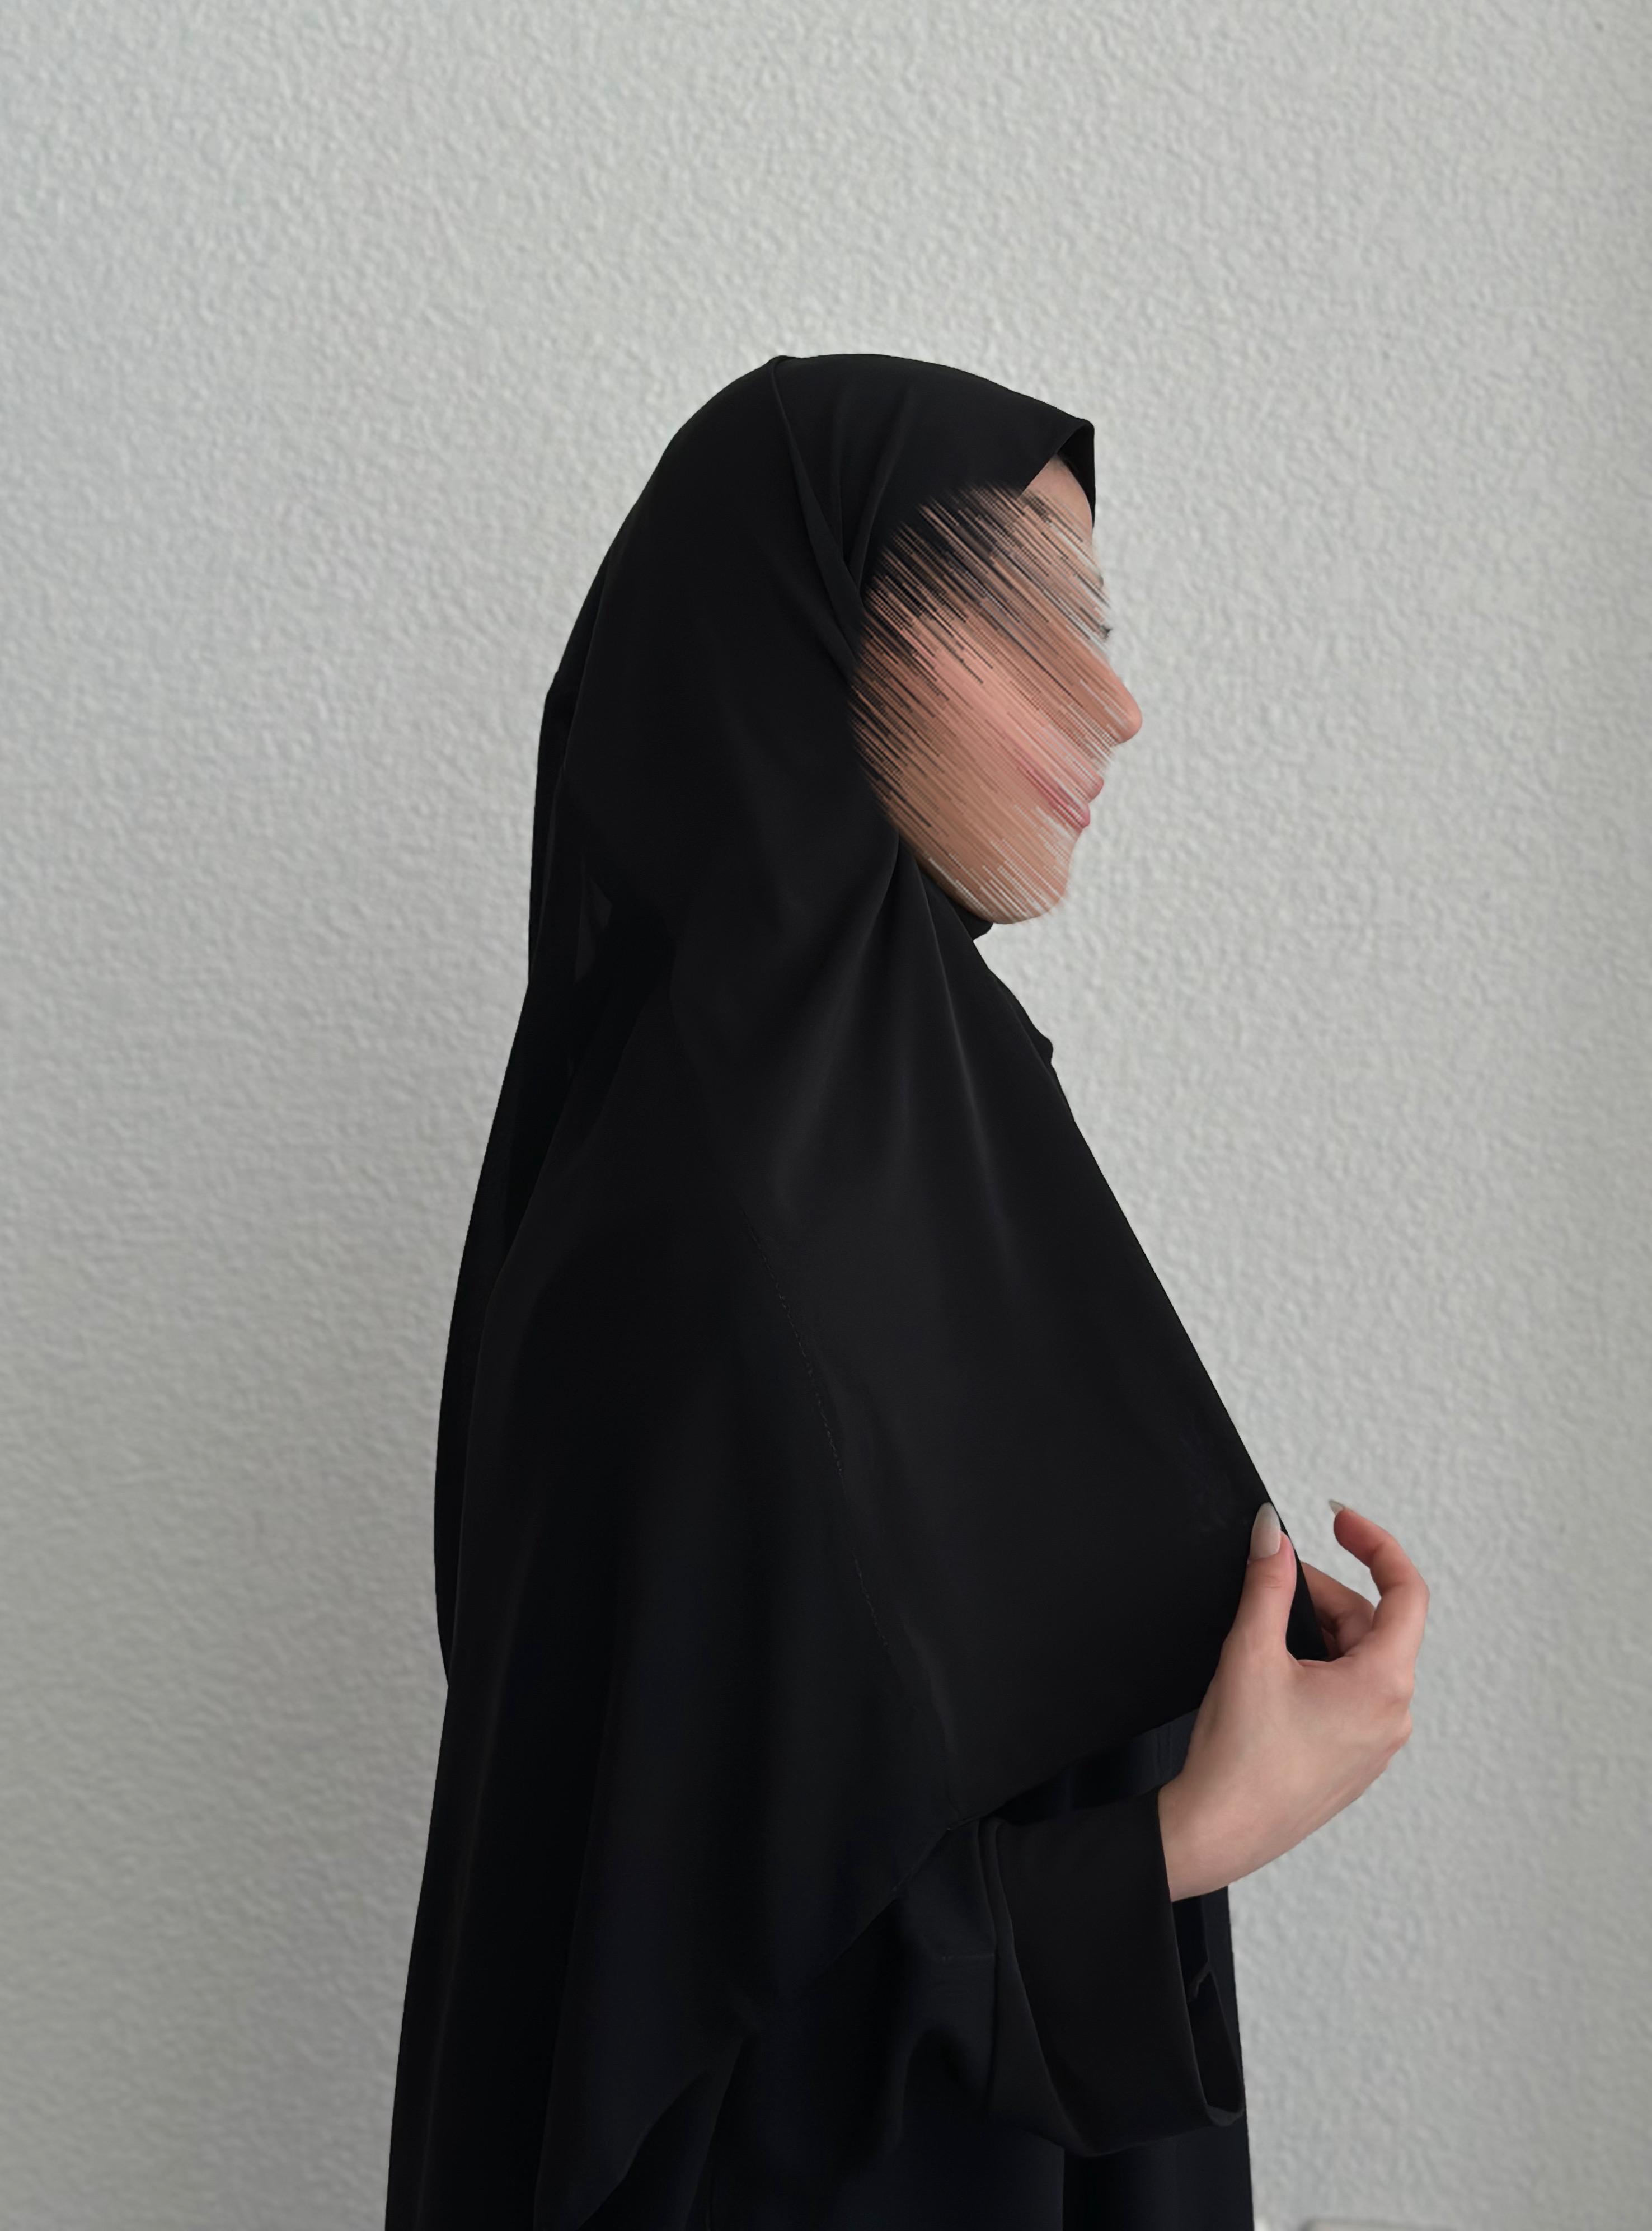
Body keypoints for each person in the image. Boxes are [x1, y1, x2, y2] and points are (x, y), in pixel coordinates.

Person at [382, 353, 1430, 2231]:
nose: (1115, 706)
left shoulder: (936, 1137)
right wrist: (1190, 1831)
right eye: (1024, 622)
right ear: (803, 638)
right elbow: (653, 2024)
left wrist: (1208, 1679)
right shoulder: (692, 1239)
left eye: (1098, 629)